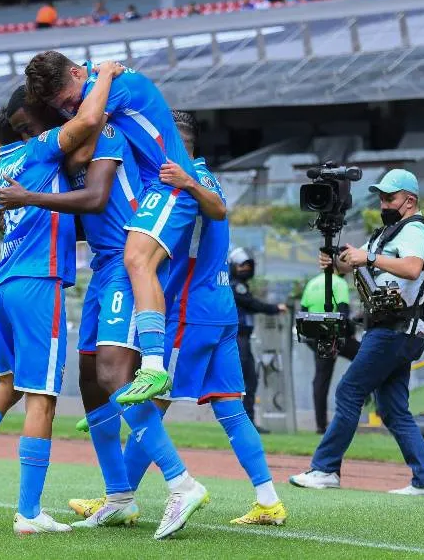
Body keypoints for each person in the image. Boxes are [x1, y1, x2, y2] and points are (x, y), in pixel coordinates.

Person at [0, 91, 209, 539]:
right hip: (102, 269)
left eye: (32, 126)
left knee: (112, 374)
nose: (34, 135)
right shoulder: (70, 149)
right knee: (90, 379)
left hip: (125, 262)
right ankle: (119, 496)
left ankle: (180, 482)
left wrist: (29, 197)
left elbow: (95, 199)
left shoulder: (105, 132)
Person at [67, 111, 287, 527]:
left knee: (147, 401)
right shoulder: (205, 174)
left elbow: (216, 211)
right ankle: (268, 499)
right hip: (221, 307)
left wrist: (185, 183)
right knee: (231, 409)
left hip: (189, 310)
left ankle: (124, 498)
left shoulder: (183, 178)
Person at [0, 65, 121, 535]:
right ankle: (29, 511)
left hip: (0, 286)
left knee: (10, 383)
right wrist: (107, 77)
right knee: (42, 399)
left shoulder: (4, 165)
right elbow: (88, 122)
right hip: (37, 284)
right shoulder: (42, 148)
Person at [25, 51, 200, 405]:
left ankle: (154, 367)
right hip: (155, 188)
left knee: (136, 258)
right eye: (61, 108)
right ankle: (142, 383)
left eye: (68, 100)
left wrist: (103, 76)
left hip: (172, 185)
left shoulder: (111, 83)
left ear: (78, 74)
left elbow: (82, 139)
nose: (69, 110)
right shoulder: (95, 87)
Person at [290, 169, 424, 497]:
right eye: (381, 197)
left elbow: (412, 267)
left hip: (392, 331)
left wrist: (368, 256)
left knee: (348, 392)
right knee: (392, 408)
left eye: (389, 197)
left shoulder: (415, 230)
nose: (383, 203)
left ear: (409, 200)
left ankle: (325, 468)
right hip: (397, 331)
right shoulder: (387, 233)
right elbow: (354, 262)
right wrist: (336, 261)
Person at [229, 247, 286, 426]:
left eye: (247, 265)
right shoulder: (235, 286)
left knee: (250, 380)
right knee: (247, 380)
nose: (244, 269)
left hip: (243, 338)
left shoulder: (240, 285)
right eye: (241, 266)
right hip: (239, 338)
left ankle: (249, 421)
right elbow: (251, 304)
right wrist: (275, 309)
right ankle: (247, 422)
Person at [299, 270, 359, 434]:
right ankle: (365, 393)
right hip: (333, 334)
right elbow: (343, 314)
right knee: (365, 358)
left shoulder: (312, 283)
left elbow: (303, 311)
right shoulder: (339, 283)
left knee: (321, 379)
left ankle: (320, 425)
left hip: (314, 335)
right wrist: (350, 332)